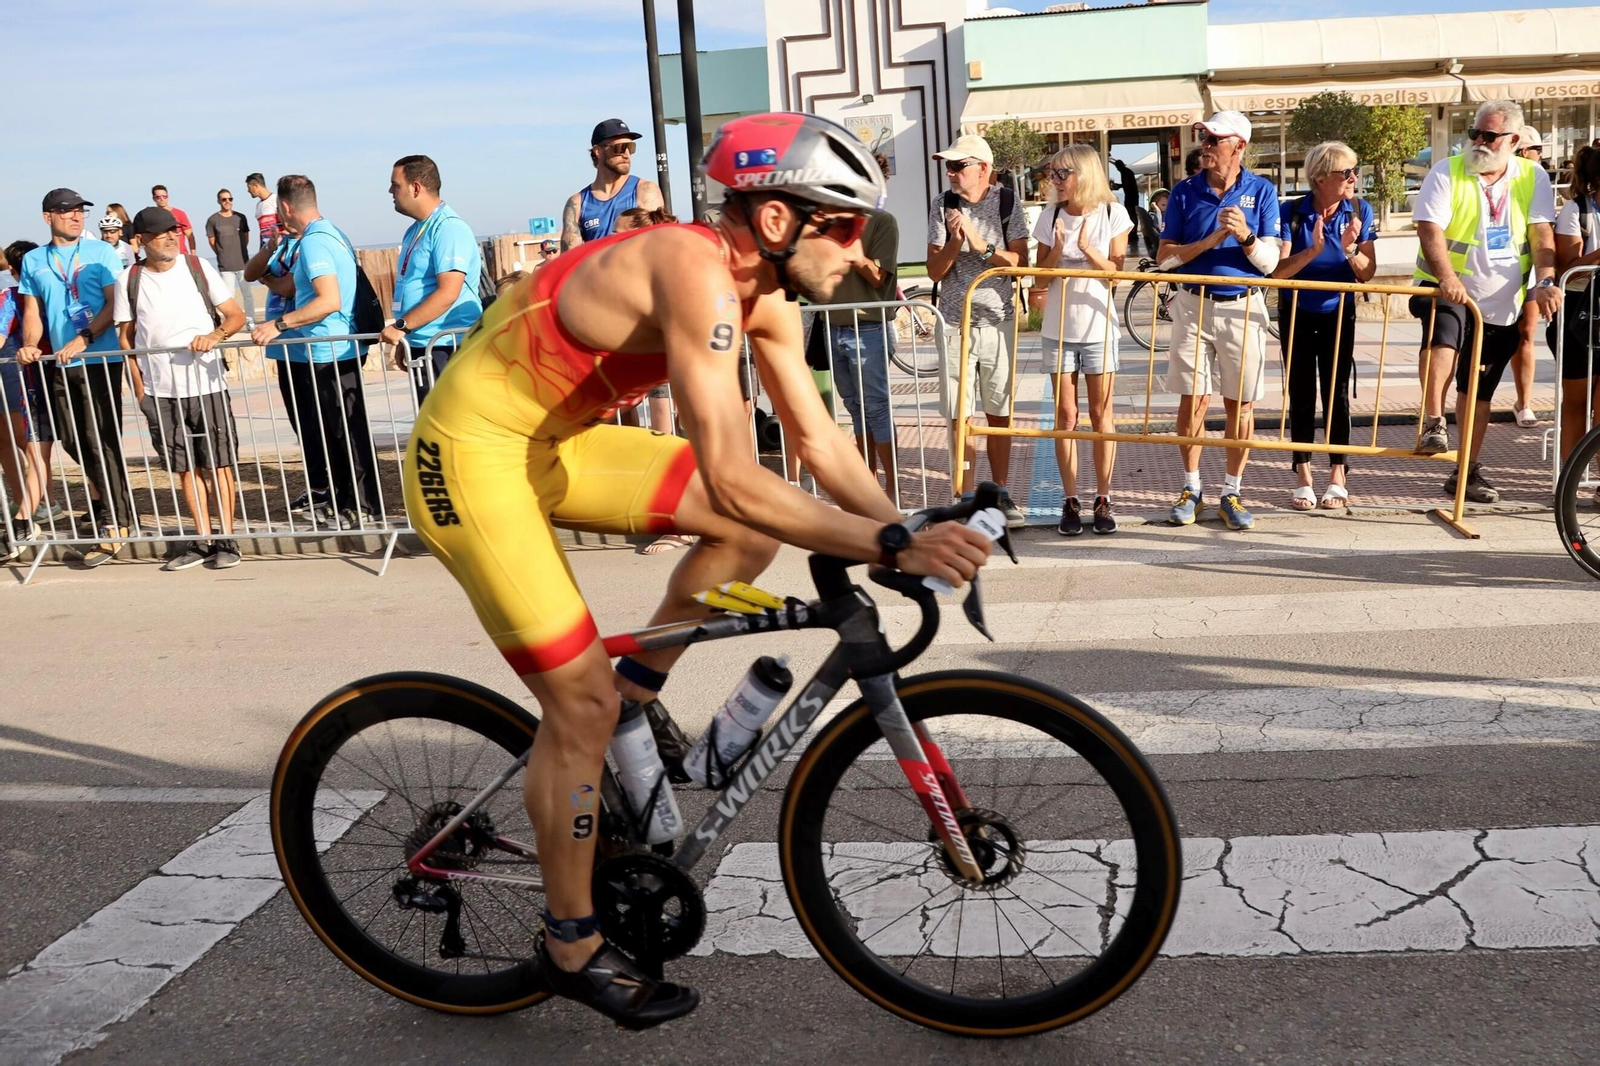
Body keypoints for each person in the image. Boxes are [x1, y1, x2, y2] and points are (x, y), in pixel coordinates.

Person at [401, 112, 990, 1030]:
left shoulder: (768, 298)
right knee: (580, 703)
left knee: (743, 542)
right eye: (845, 225)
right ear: (778, 221)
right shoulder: (690, 269)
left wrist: (903, 528)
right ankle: (571, 943)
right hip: (470, 455)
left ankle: (635, 698)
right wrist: (883, 547)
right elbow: (731, 469)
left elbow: (818, 440)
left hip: (551, 444)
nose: (862, 251)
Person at [1412, 99, 1559, 503]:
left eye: (1488, 135)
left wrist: (1546, 280)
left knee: (1479, 391)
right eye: (1474, 132)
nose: (1477, 141)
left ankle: (1466, 472)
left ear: (1512, 140)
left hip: (1502, 302)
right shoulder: (1448, 170)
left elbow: (1542, 235)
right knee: (1446, 334)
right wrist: (1447, 278)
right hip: (1444, 288)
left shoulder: (1532, 176)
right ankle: (1434, 422)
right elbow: (1429, 229)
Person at [1157, 111, 1282, 530]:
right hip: (1193, 302)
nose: (1205, 147)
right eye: (1204, 139)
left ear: (1239, 146)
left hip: (1243, 304)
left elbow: (1270, 262)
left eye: (1214, 140)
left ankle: (1232, 490)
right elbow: (1165, 258)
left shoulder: (1262, 190)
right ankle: (1191, 487)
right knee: (1193, 397)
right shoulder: (1185, 191)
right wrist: (1209, 241)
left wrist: (1245, 237)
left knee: (1240, 402)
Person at [114, 207, 247, 570]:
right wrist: (141, 392)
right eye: (161, 233)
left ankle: (227, 538)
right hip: (161, 392)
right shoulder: (129, 279)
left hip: (206, 385)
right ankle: (202, 539)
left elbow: (236, 316)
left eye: (174, 231)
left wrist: (214, 336)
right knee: (185, 468)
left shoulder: (198, 267)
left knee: (218, 464)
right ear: (140, 241)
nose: (172, 237)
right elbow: (126, 340)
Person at [14, 189, 137, 566]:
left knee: (100, 439)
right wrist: (31, 344)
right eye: (66, 211)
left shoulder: (101, 252)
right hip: (58, 362)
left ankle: (117, 523)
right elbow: (32, 311)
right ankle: (109, 503)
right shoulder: (35, 259)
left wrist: (84, 338)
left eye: (80, 211)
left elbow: (116, 302)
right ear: (47, 216)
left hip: (99, 359)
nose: (75, 217)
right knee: (70, 438)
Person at [249, 174, 380, 528]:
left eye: (278, 208)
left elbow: (329, 300)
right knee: (334, 430)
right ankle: (346, 503)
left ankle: (363, 506)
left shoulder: (315, 243)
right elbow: (296, 285)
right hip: (325, 350)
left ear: (286, 207)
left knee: (345, 430)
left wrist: (277, 324)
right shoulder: (329, 234)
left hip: (331, 349)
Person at [926, 133, 1028, 524]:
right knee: (960, 414)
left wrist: (978, 242)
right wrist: (955, 241)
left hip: (998, 319)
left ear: (983, 168)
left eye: (958, 165)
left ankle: (1001, 492)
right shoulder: (942, 204)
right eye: (948, 166)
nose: (951, 173)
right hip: (955, 320)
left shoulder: (1006, 201)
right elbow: (935, 270)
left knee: (999, 412)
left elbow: (1019, 262)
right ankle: (965, 493)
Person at [1271, 141, 1377, 511]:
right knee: (1300, 392)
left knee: (1337, 394)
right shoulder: (1291, 212)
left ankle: (1338, 474)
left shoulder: (1360, 209)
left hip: (1338, 311)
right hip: (1297, 311)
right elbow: (1277, 273)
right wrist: (1313, 250)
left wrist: (1349, 249)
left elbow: (1367, 274)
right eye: (1345, 172)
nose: (1353, 178)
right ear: (1319, 178)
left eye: (1355, 170)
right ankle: (1302, 475)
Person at [1032, 142, 1132, 535]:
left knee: (1100, 415)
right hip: (1058, 329)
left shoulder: (1113, 213)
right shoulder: (1050, 215)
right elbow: (1039, 280)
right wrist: (1058, 248)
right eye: (1052, 174)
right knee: (1066, 417)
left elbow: (1117, 276)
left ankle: (1104, 498)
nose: (1054, 181)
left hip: (1098, 328)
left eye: (1062, 174)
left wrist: (1088, 248)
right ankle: (1070, 499)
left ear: (1083, 175)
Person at [377, 155, 483, 408]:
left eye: (395, 184)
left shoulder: (448, 228)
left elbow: (448, 293)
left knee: (452, 425)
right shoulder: (416, 229)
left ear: (415, 187)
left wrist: (402, 327)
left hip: (447, 346)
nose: (390, 190)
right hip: (424, 344)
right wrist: (409, 338)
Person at [823, 153, 900, 489]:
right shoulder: (830, 220)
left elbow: (879, 277)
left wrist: (854, 252)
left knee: (876, 408)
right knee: (855, 409)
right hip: (834, 325)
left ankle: (894, 490)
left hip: (868, 327)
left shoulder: (883, 222)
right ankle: (869, 485)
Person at [0, 240, 59, 529]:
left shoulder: (13, 297)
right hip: (38, 369)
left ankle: (41, 502)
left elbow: (0, 333)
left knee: (24, 441)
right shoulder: (43, 292)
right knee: (23, 441)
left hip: (26, 372)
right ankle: (29, 504)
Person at [1551, 145, 1600, 489]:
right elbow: (1567, 267)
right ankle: (1567, 483)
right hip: (1579, 314)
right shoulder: (1576, 210)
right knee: (1577, 402)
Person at [560, 118, 665, 251]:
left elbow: (659, 246)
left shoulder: (645, 191)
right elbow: (569, 259)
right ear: (598, 151)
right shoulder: (577, 203)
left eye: (630, 148)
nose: (627, 155)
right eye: (620, 148)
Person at [206, 189, 256, 328]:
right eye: (224, 199)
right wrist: (222, 253)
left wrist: (241, 251)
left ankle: (250, 321)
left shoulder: (241, 217)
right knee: (228, 296)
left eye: (230, 199)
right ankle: (232, 323)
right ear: (218, 201)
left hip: (243, 263)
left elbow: (246, 237)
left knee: (248, 295)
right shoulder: (213, 220)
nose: (227, 202)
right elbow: (212, 241)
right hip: (225, 265)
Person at [151, 185, 195, 255]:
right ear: (154, 199)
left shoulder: (180, 214)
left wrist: (193, 254)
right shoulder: (151, 216)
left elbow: (189, 235)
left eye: (164, 196)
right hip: (162, 256)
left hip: (180, 254)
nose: (162, 199)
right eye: (158, 197)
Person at [245, 173, 279, 250]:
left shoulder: (276, 200)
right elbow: (262, 232)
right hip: (267, 249)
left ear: (255, 185)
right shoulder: (258, 206)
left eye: (249, 187)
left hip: (279, 248)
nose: (248, 191)